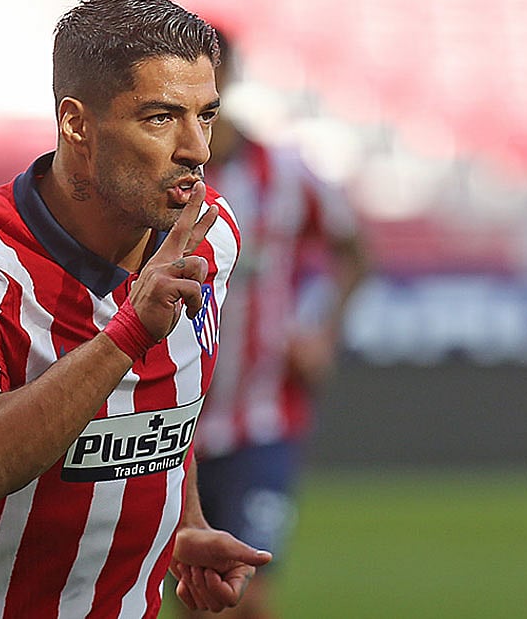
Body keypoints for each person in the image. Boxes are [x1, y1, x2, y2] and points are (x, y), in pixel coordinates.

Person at [0, 0, 272, 619]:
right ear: (76, 124)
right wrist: (128, 333)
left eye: (207, 116)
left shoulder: (210, 233)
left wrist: (183, 520)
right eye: (160, 118)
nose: (197, 148)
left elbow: (167, 404)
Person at [176, 30, 368, 618]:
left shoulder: (283, 172)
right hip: (171, 422)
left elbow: (354, 251)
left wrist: (322, 332)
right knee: (192, 594)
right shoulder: (156, 179)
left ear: (228, 78)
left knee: (245, 593)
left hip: (262, 417)